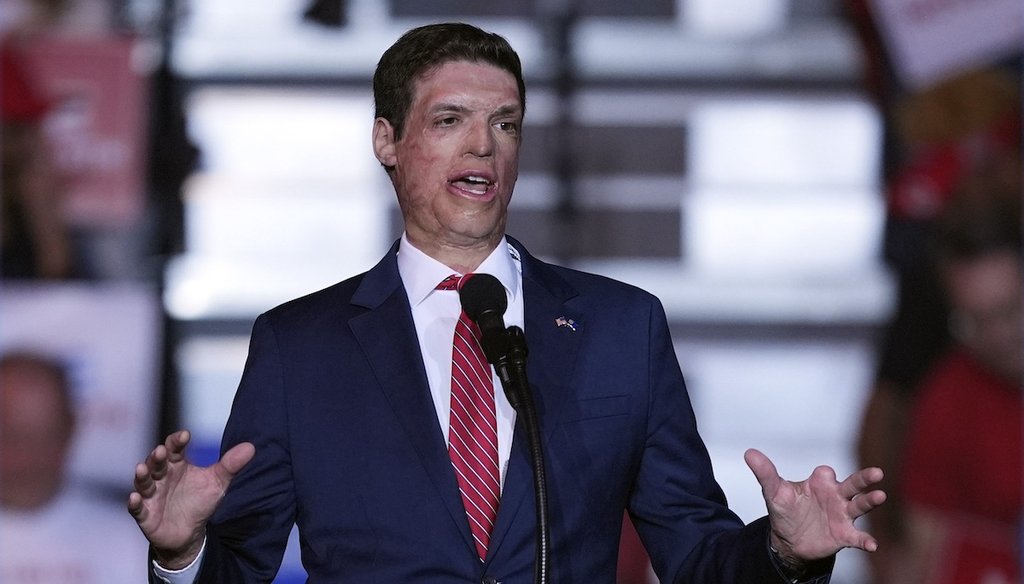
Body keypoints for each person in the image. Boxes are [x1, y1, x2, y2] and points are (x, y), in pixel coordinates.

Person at [128, 22, 885, 583]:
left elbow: (694, 555)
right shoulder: (301, 347)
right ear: (387, 140)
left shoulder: (622, 329)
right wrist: (180, 550)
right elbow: (239, 569)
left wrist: (784, 550)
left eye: (505, 123)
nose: (484, 147)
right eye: (450, 120)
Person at [893, 167, 1021, 584]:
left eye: (1010, 311)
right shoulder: (946, 404)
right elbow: (924, 561)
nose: (999, 337)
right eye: (974, 321)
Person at [0, 351, 149, 582]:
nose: (23, 458)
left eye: (41, 438)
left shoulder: (131, 542)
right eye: (10, 437)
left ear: (70, 430)